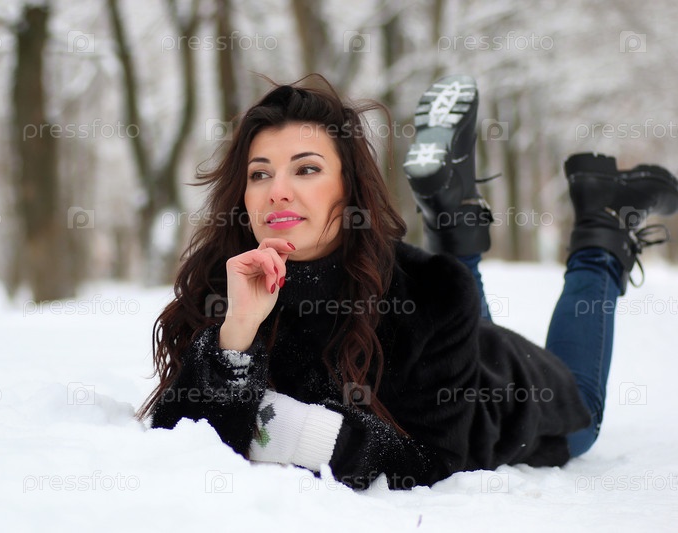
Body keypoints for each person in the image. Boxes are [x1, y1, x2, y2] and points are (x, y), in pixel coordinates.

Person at [136, 73, 678, 490]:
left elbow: (430, 460)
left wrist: (282, 429)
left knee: (583, 405)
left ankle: (601, 231)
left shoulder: (426, 296)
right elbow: (180, 433)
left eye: (306, 169)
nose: (277, 189)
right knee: (449, 291)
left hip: (512, 400)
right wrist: (237, 332)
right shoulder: (226, 282)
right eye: (260, 173)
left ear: (350, 189)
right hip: (452, 341)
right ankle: (451, 216)